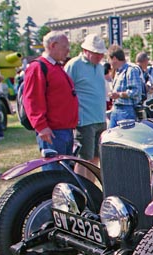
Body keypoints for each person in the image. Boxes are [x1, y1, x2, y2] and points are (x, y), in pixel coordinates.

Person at [23, 31, 79, 170]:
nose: (68, 50)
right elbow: (32, 99)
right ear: (53, 45)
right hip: (53, 132)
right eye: (65, 46)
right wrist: (41, 126)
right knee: (53, 174)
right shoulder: (38, 67)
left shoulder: (56, 66)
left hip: (65, 130)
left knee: (65, 172)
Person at [64, 33, 108, 180]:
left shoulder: (100, 67)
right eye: (96, 54)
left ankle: (91, 188)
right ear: (86, 51)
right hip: (85, 120)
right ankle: (81, 187)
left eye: (101, 54)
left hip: (100, 118)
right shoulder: (74, 65)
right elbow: (65, 91)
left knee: (96, 157)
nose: (100, 57)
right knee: (84, 159)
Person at [108, 44, 144, 127]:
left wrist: (119, 94)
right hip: (116, 108)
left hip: (126, 110)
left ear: (114, 58)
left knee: (125, 137)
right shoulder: (118, 72)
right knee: (112, 136)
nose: (109, 62)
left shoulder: (131, 70)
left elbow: (136, 91)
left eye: (109, 59)